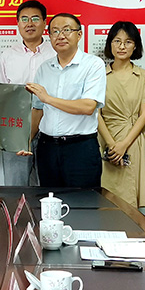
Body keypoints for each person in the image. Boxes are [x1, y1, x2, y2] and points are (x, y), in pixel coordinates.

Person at [26, 13, 106, 187]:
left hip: (80, 148)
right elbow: (38, 110)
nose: (60, 36)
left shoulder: (93, 64)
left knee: (82, 200)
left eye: (67, 30)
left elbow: (88, 106)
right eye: (55, 31)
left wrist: (48, 98)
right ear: (49, 36)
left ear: (79, 34)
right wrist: (25, 142)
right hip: (47, 148)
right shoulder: (44, 68)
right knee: (48, 199)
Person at [0, 0, 56, 186]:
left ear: (44, 22)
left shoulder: (56, 53)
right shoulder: (8, 55)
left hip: (50, 129)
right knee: (15, 187)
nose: (29, 23)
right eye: (24, 19)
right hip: (15, 129)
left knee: (48, 189)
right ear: (17, 23)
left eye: (35, 18)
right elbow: (0, 95)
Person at [97, 21, 145, 209]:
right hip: (106, 139)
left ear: (136, 46)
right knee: (106, 200)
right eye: (117, 41)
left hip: (133, 140)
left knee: (133, 203)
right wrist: (112, 144)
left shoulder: (143, 76)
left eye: (128, 42)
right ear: (110, 44)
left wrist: (123, 145)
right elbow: (95, 113)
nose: (122, 46)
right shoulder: (99, 75)